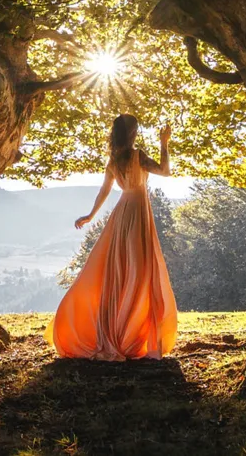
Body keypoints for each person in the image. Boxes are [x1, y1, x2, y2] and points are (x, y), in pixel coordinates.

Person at [46, 114, 178, 360]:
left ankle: (124, 330)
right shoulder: (138, 156)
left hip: (123, 212)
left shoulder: (113, 160)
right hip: (137, 211)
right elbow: (165, 171)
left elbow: (104, 191)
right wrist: (164, 143)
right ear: (132, 133)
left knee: (121, 270)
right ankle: (129, 333)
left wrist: (90, 215)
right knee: (137, 270)